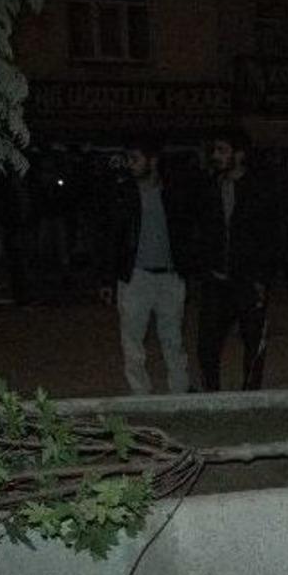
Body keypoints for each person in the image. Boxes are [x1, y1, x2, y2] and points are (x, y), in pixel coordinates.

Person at [102, 139, 197, 395]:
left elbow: (188, 232)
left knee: (173, 339)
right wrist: (109, 278)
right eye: (129, 159)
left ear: (152, 160)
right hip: (135, 276)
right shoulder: (123, 193)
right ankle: (140, 395)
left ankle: (179, 393)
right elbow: (113, 237)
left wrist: (187, 270)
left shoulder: (173, 192)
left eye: (135, 158)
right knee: (132, 341)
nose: (130, 165)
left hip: (169, 276)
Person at [196, 128, 282, 391]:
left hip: (248, 281)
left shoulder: (259, 189)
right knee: (207, 343)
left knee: (253, 342)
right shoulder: (210, 187)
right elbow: (200, 230)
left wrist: (262, 278)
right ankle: (212, 395)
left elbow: (272, 235)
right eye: (214, 150)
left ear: (240, 154)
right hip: (216, 280)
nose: (216, 156)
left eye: (222, 150)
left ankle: (250, 396)